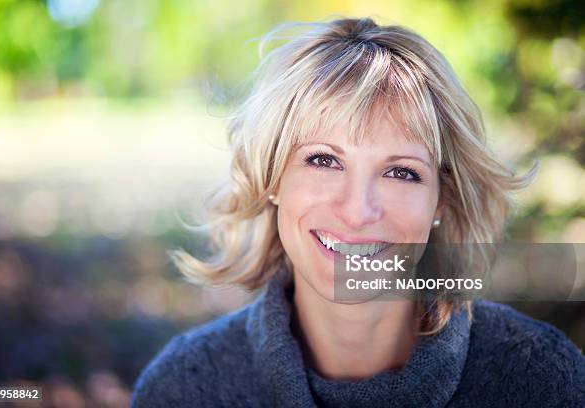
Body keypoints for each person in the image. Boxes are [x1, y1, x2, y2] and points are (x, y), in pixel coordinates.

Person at [131, 17, 585, 407]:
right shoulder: (185, 388)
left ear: (442, 198)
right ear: (271, 178)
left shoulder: (541, 378)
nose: (357, 211)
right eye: (324, 160)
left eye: (402, 173)